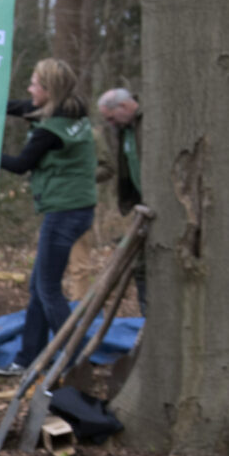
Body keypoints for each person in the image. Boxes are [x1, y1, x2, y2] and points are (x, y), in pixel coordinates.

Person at [0, 57, 98, 376]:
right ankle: (27, 359)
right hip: (76, 209)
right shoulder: (71, 110)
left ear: (49, 90)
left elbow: (22, 164)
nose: (29, 87)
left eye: (35, 83)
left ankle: (75, 359)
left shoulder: (50, 130)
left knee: (47, 288)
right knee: (40, 287)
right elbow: (24, 107)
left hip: (65, 212)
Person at [98, 86, 146, 313]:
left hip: (158, 202)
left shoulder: (149, 121)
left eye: (111, 117)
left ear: (125, 106)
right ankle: (148, 319)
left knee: (145, 264)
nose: (110, 124)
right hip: (141, 204)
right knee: (140, 266)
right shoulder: (125, 129)